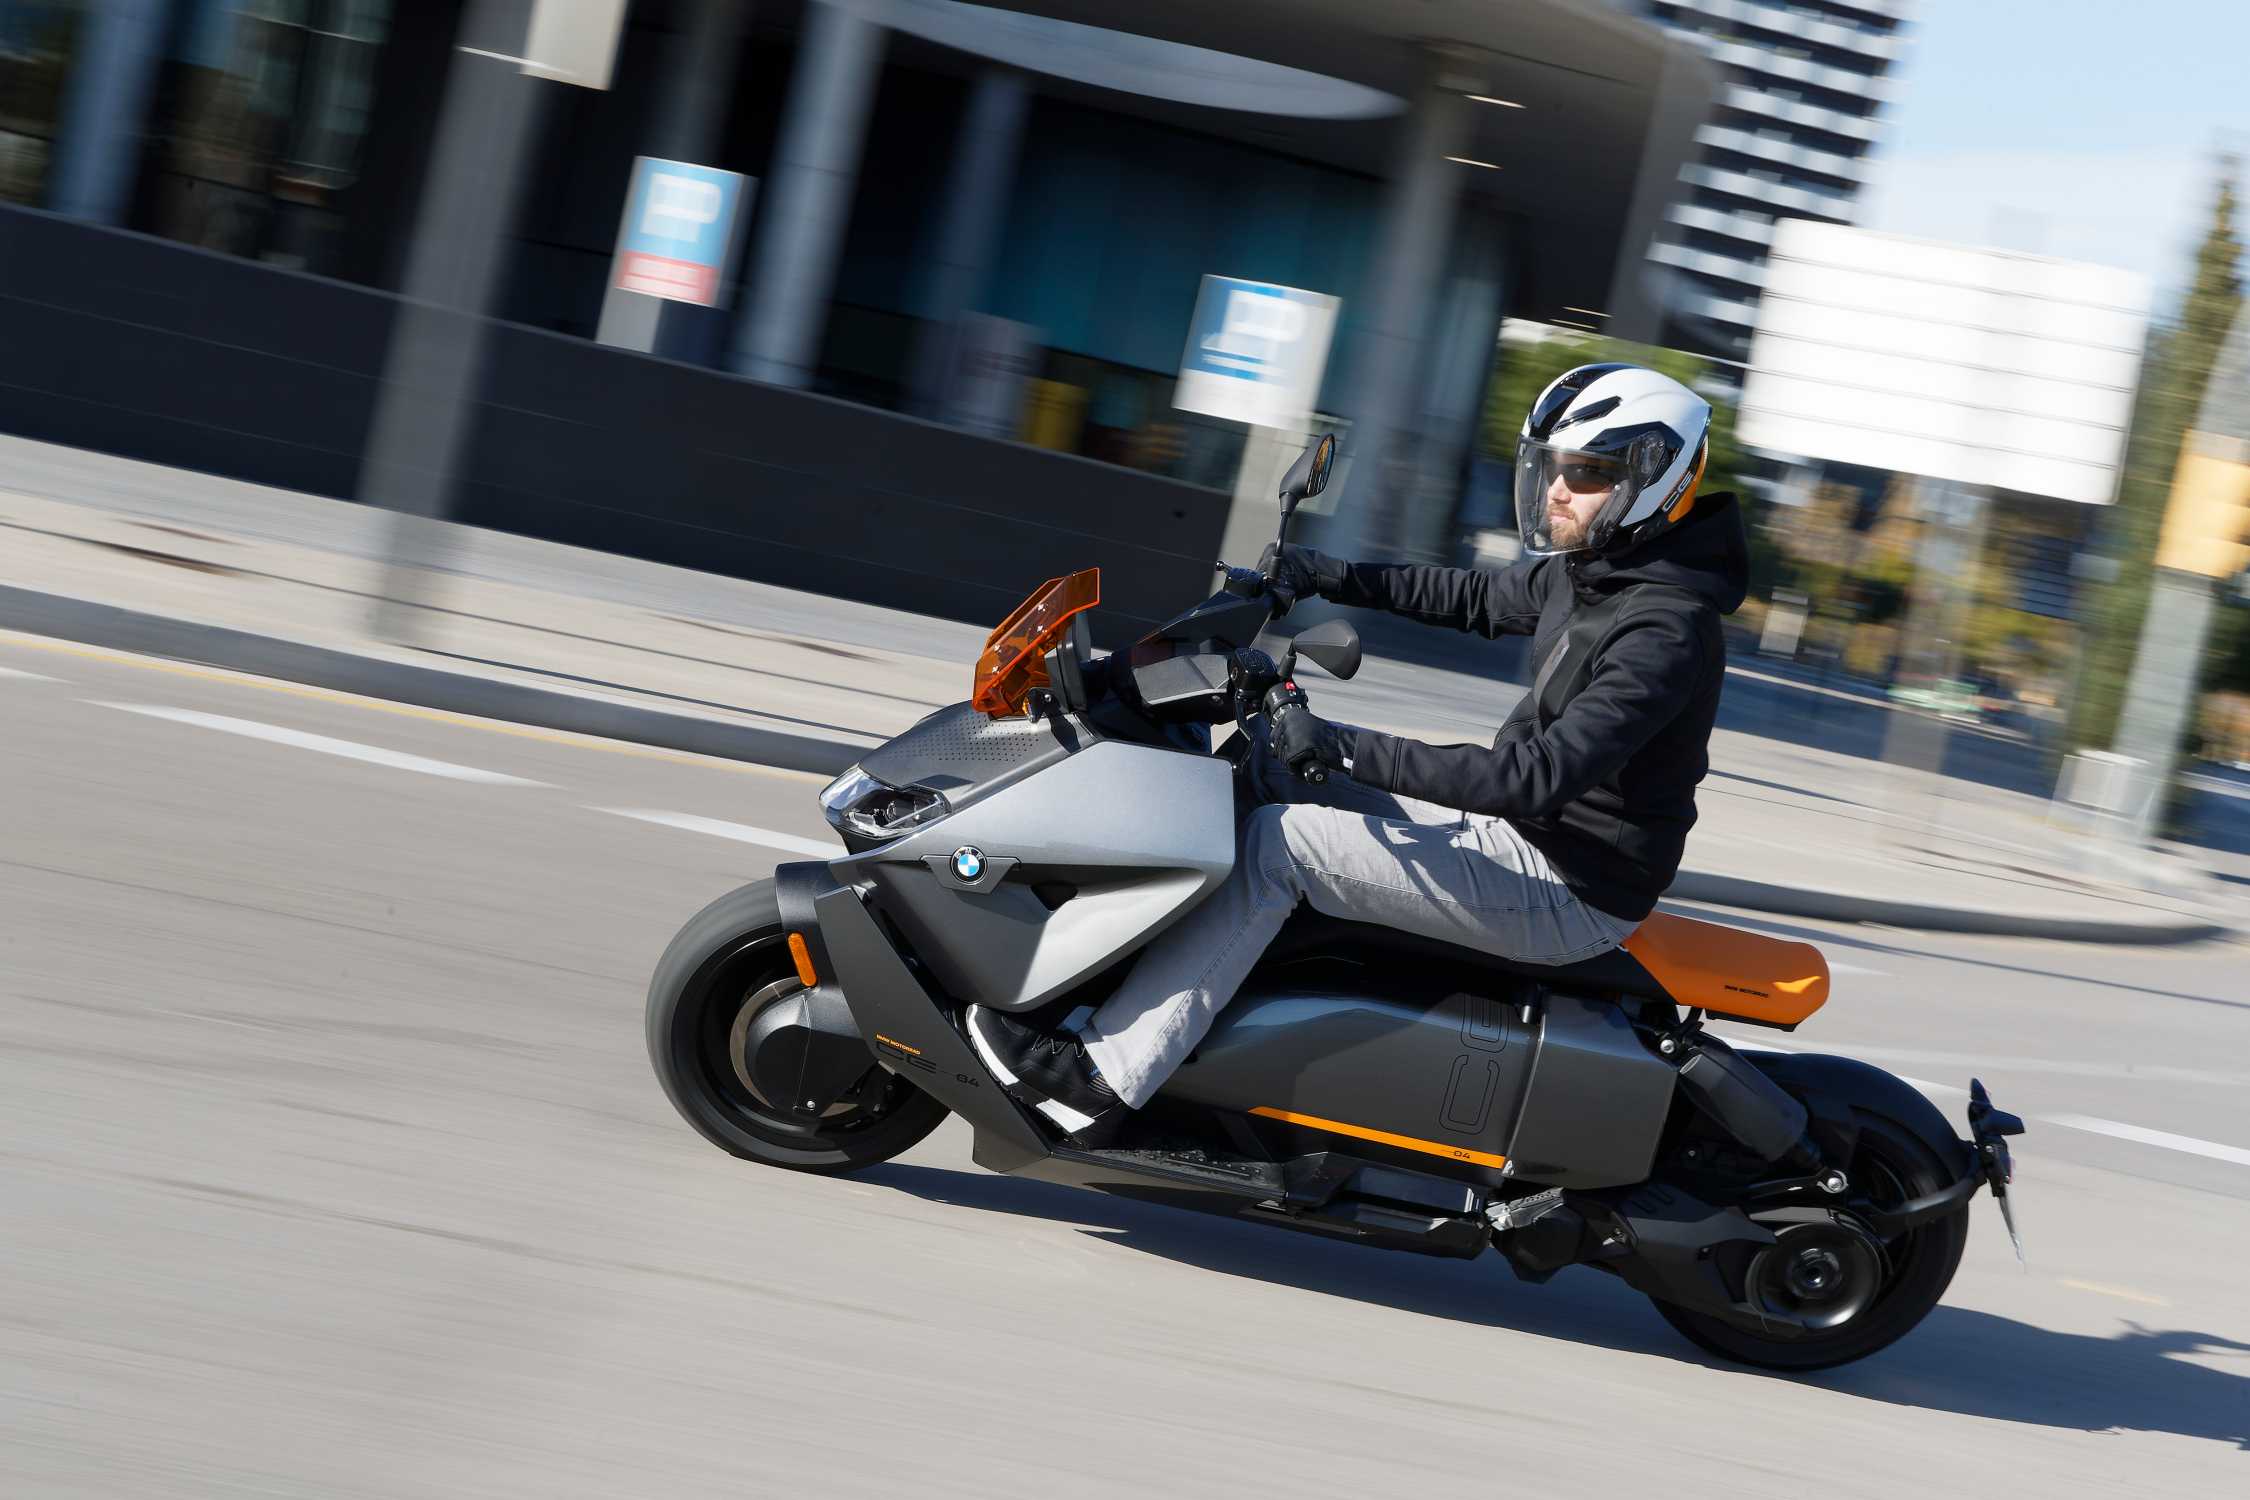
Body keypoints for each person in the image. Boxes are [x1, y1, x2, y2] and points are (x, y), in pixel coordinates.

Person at [967, 362, 1750, 1146]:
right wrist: (1328, 576)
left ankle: (1101, 1079)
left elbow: (1530, 778)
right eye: (1553, 468)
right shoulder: (1598, 572)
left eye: (1587, 474)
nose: (1557, 491)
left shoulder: (1664, 629)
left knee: (1281, 845)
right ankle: (1156, 1001)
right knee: (1258, 769)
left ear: (1654, 478)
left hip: (1567, 885)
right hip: (1521, 843)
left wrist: (1341, 747)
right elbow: (1473, 599)